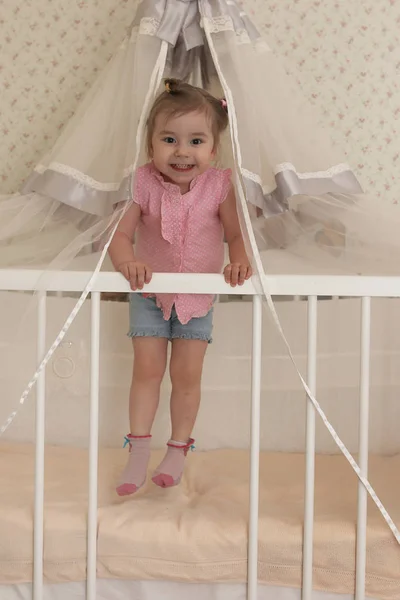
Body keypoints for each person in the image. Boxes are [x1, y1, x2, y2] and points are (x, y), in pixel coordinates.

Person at [108, 79, 252, 496]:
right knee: (147, 372)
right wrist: (128, 262)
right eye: (169, 139)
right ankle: (137, 451)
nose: (181, 151)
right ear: (151, 144)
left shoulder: (221, 186)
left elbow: (236, 236)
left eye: (195, 140)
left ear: (213, 149)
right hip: (150, 294)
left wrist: (238, 260)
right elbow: (119, 237)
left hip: (197, 297)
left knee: (187, 376)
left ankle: (178, 447)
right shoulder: (142, 182)